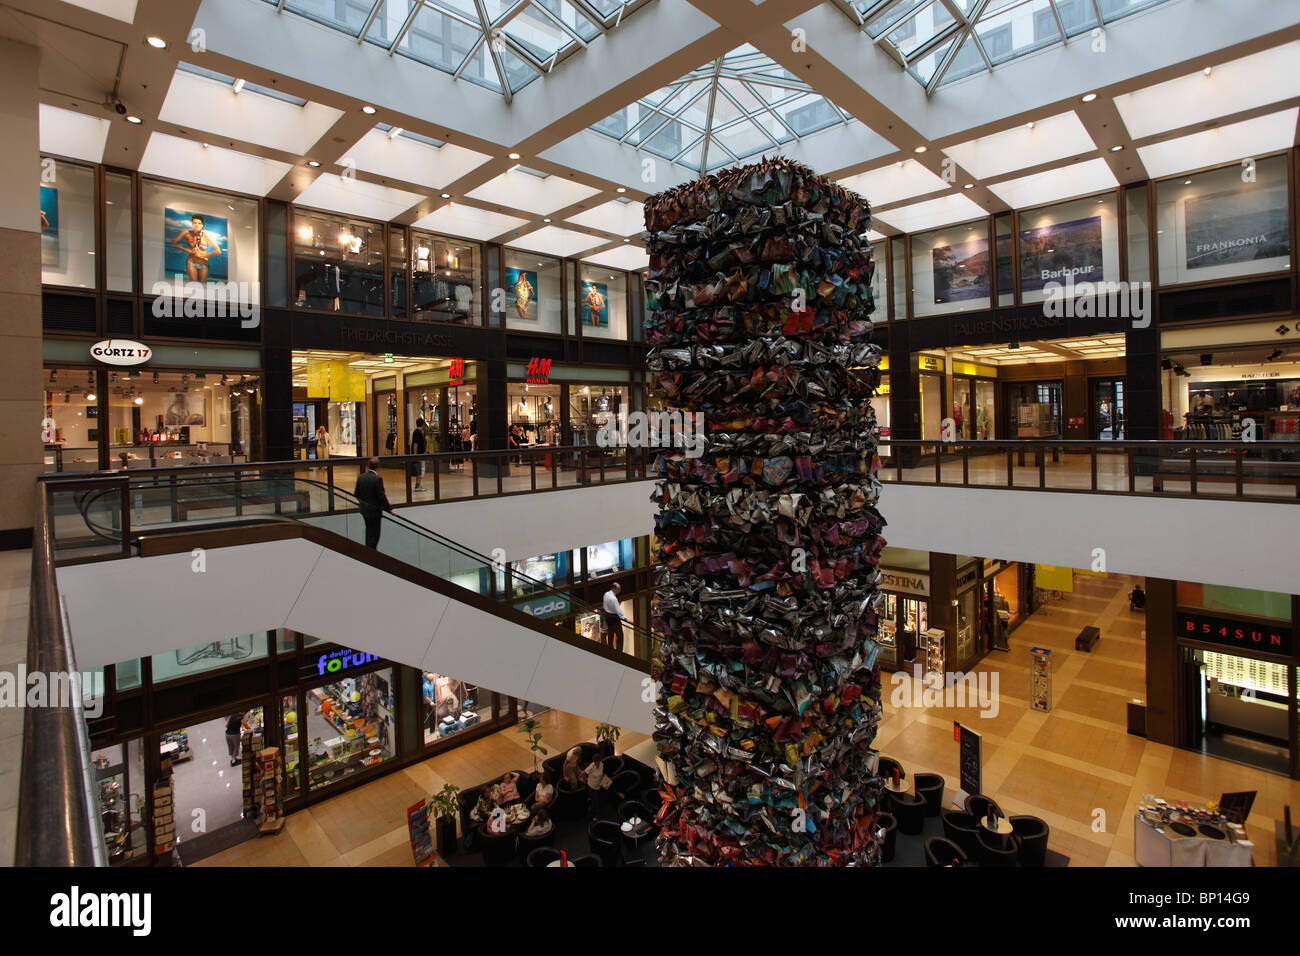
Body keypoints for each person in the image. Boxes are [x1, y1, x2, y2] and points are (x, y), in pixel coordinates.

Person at [353, 457, 393, 549]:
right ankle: (371, 552)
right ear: (377, 466)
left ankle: (368, 550)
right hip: (375, 511)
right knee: (375, 534)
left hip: (364, 510)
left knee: (369, 531)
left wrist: (363, 503)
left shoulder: (361, 477)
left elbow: (356, 494)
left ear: (368, 465)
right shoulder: (377, 479)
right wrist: (389, 509)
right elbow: (381, 496)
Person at [170, 214, 221, 283]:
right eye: (195, 223)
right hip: (191, 262)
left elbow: (218, 251)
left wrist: (204, 255)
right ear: (192, 224)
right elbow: (173, 244)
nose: (197, 225)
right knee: (193, 285)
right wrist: (188, 250)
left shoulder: (206, 236)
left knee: (202, 286)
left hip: (204, 264)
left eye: (199, 223)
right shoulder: (186, 233)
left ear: (202, 225)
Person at [601, 582, 627, 650]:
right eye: (619, 589)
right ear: (614, 589)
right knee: (620, 635)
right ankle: (619, 650)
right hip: (614, 617)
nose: (620, 590)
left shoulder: (606, 594)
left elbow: (604, 605)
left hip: (607, 615)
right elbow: (618, 611)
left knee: (610, 633)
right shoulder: (613, 599)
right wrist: (625, 618)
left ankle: (610, 648)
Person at [410, 417, 428, 491]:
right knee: (420, 470)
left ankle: (418, 485)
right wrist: (415, 455)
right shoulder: (417, 432)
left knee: (420, 470)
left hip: (420, 454)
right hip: (419, 455)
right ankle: (418, 485)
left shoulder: (418, 432)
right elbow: (415, 444)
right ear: (422, 424)